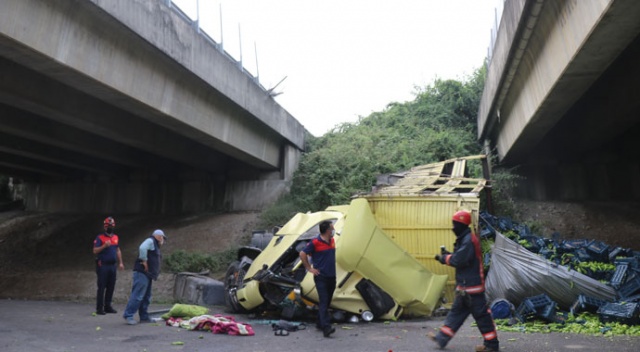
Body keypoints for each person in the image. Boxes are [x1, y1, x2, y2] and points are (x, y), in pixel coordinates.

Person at [429, 210, 500, 352]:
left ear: (461, 225)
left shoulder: (468, 240)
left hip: (472, 288)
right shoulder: (465, 239)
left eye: (455, 224)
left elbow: (459, 260)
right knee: (456, 313)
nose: (453, 228)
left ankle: (492, 345)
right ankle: (442, 338)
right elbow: (459, 257)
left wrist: (444, 258)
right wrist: (449, 255)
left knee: (482, 317)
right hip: (465, 287)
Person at [299, 220, 336, 338]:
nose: (333, 230)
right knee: (324, 300)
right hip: (321, 277)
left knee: (327, 301)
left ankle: (319, 323)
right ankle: (326, 328)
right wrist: (309, 268)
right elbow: (302, 254)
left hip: (332, 276)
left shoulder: (332, 241)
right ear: (327, 230)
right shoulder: (315, 242)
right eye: (332, 228)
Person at [123, 229, 166, 325]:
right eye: (162, 237)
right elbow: (142, 248)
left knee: (146, 296)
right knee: (138, 295)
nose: (162, 240)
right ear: (159, 236)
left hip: (148, 274)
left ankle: (144, 316)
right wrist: (144, 261)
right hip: (142, 273)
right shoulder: (151, 241)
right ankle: (128, 315)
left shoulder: (154, 244)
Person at [93, 216, 124, 315]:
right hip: (103, 265)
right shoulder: (100, 237)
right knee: (102, 286)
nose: (110, 227)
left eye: (111, 225)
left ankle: (108, 306)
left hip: (112, 266)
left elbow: (118, 250)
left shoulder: (115, 237)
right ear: (105, 227)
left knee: (111, 286)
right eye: (108, 226)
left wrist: (121, 262)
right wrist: (104, 246)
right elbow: (95, 250)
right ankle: (99, 308)